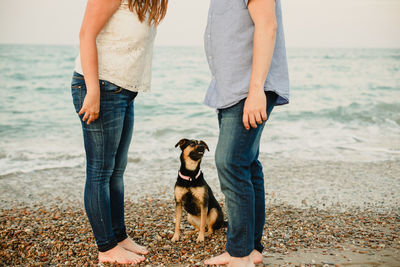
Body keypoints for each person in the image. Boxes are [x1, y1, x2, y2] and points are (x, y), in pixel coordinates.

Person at [70, 0, 168, 264]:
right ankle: (106, 247)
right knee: (100, 171)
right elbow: (86, 34)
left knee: (116, 171)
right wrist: (93, 91)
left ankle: (119, 237)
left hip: (123, 91)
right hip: (100, 87)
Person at [202, 0, 289, 266]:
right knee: (247, 164)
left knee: (230, 162)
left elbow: (267, 25)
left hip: (248, 88)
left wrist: (256, 90)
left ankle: (239, 254)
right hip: (231, 89)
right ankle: (251, 249)